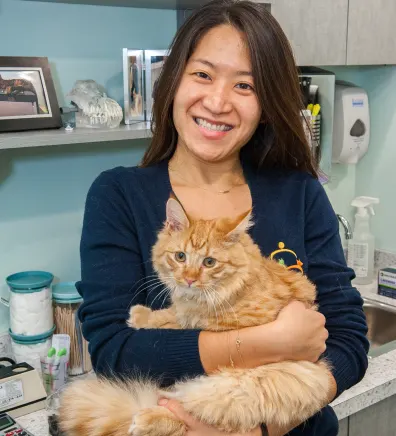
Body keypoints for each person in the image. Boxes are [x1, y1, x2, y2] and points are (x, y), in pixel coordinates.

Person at [76, 1, 369, 435]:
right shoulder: (118, 194)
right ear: (172, 81)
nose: (217, 101)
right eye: (202, 74)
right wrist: (265, 343)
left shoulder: (299, 191)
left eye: (245, 86)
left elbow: (348, 339)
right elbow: (115, 351)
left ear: (266, 105)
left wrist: (262, 427)